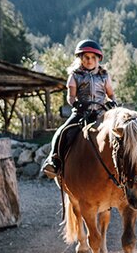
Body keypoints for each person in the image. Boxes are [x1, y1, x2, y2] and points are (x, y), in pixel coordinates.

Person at [41, 39, 116, 178]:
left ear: (98, 59)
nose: (89, 60)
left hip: (101, 113)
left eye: (93, 57)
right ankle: (54, 161)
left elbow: (111, 95)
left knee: (119, 133)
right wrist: (76, 104)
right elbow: (71, 97)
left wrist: (112, 103)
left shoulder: (104, 75)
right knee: (63, 132)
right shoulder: (75, 75)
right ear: (81, 58)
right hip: (81, 113)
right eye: (86, 57)